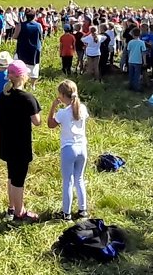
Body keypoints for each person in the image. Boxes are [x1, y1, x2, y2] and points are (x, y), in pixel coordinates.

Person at [0, 60, 42, 222]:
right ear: (23, 76)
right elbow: (37, 121)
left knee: (11, 175)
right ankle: (19, 212)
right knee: (18, 180)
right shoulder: (27, 98)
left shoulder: (3, 95)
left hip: (6, 141)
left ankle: (11, 207)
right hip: (21, 144)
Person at [47, 80, 89, 221]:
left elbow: (50, 124)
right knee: (79, 179)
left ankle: (66, 214)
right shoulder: (82, 108)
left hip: (68, 148)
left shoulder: (63, 113)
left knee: (68, 182)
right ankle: (83, 210)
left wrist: (53, 107)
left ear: (63, 96)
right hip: (82, 147)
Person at [13, 10, 43, 90]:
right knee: (34, 67)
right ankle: (33, 85)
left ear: (26, 16)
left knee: (22, 65)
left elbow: (15, 36)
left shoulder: (20, 25)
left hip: (23, 48)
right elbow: (41, 36)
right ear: (34, 16)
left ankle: (22, 83)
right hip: (35, 49)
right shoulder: (38, 25)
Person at [126, 27, 146, 92]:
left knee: (131, 74)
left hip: (131, 60)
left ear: (132, 34)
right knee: (137, 75)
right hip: (138, 61)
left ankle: (130, 86)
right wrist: (144, 62)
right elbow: (143, 53)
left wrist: (129, 58)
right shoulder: (141, 42)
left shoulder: (130, 42)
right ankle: (136, 87)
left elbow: (128, 51)